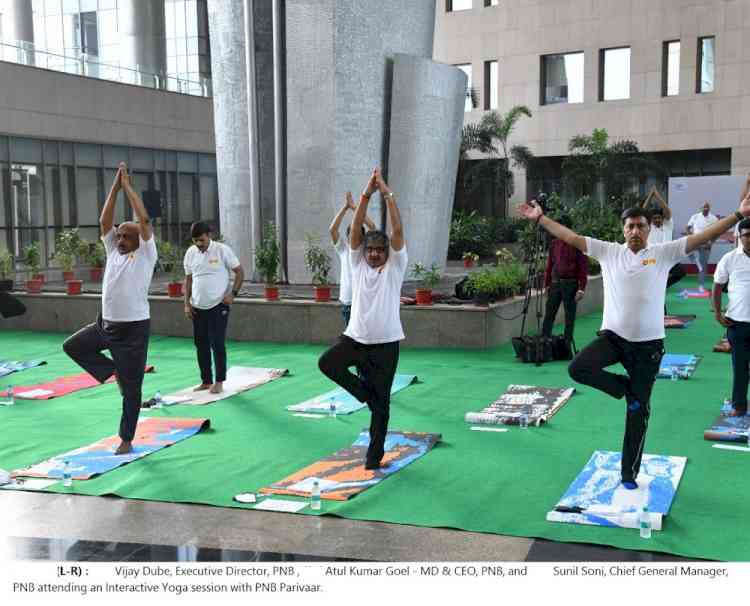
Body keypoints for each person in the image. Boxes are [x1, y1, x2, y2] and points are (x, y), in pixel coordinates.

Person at [517, 192, 750, 488]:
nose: (635, 231)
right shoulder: (608, 252)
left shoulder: (663, 253)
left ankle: (628, 473)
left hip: (648, 348)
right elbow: (571, 237)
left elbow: (704, 236)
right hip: (613, 339)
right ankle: (628, 390)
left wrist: (738, 215)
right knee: (578, 368)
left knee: (637, 413)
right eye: (630, 226)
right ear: (623, 229)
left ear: (648, 230)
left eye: (640, 226)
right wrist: (540, 218)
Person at [63, 163, 157, 455]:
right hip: (105, 325)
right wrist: (114, 188)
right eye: (118, 236)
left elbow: (143, 219)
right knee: (73, 347)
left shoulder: (145, 255)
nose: (119, 239)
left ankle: (126, 439)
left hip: (132, 331)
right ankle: (114, 370)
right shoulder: (113, 251)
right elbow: (105, 222)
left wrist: (128, 188)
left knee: (132, 391)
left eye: (126, 236)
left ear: (139, 239)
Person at [318, 168, 407, 470]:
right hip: (355, 339)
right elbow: (355, 229)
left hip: (386, 346)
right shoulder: (356, 263)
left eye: (379, 251)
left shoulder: (395, 267)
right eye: (370, 250)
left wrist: (388, 194)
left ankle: (374, 456)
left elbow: (397, 231)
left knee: (381, 406)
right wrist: (366, 194)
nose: (374, 255)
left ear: (386, 253)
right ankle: (363, 393)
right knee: (327, 363)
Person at [183, 221, 244, 394]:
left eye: (201, 240)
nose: (198, 244)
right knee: (200, 343)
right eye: (195, 241)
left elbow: (239, 272)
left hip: (218, 305)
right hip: (197, 307)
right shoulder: (190, 253)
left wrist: (233, 294)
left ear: (209, 235)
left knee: (217, 343)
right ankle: (206, 380)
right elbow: (188, 280)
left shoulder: (222, 250)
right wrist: (187, 304)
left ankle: (219, 381)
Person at [713, 218, 750, 417]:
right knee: (740, 367)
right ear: (740, 237)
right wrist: (718, 312)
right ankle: (739, 405)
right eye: (747, 235)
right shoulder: (729, 258)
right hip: (737, 324)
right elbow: (718, 286)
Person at [329, 191, 376, 327]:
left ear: (363, 237)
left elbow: (372, 227)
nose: (353, 238)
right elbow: (332, 230)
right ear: (347, 237)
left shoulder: (366, 251)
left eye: (357, 235)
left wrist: (356, 208)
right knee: (351, 340)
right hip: (348, 302)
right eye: (350, 235)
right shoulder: (343, 250)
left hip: (363, 302)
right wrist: (345, 208)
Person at [541, 215, 587, 347]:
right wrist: (547, 284)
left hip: (571, 284)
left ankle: (566, 345)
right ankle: (544, 343)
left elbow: (583, 267)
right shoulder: (554, 244)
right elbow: (550, 265)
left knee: (569, 317)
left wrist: (581, 288)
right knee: (549, 314)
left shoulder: (577, 243)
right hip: (555, 283)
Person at [640, 187, 685, 302]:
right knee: (656, 294)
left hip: (667, 258)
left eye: (659, 218)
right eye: (654, 218)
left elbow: (668, 211)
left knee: (681, 272)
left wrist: (657, 195)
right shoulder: (648, 227)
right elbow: (642, 211)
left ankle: (662, 287)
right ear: (651, 219)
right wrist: (651, 195)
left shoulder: (667, 225)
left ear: (662, 218)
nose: (657, 220)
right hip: (652, 259)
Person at [686, 201, 718, 291]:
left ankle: (701, 285)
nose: (706, 209)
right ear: (701, 208)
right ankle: (696, 262)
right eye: (704, 207)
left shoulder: (714, 218)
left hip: (706, 244)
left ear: (710, 208)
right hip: (695, 240)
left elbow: (717, 232)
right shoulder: (695, 216)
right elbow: (687, 227)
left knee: (703, 266)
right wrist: (691, 236)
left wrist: (711, 242)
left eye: (707, 207)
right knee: (686, 251)